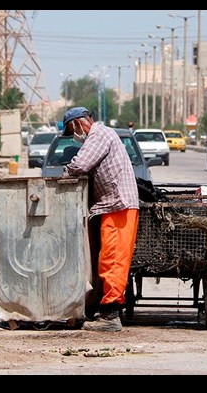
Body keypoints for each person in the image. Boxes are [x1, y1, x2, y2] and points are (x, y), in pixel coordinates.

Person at [61, 106, 139, 332]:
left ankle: (111, 316)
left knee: (113, 260)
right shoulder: (100, 135)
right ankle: (106, 309)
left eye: (71, 130)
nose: (74, 137)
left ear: (78, 123)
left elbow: (80, 164)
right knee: (107, 259)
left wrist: (63, 176)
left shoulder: (99, 134)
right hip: (113, 205)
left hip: (119, 204)